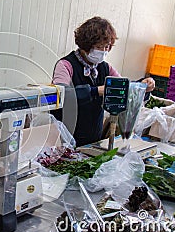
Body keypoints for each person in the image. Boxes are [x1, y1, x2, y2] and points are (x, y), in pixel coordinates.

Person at [52, 16, 155, 147]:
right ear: (86, 44)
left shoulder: (105, 68)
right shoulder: (66, 65)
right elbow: (61, 95)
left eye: (107, 47)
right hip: (65, 137)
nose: (104, 51)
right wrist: (97, 91)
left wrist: (142, 85)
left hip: (93, 138)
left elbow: (124, 87)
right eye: (99, 47)